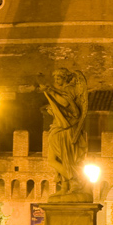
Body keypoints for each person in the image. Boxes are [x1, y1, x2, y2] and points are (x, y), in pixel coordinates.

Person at [39, 68, 89, 200]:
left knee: (63, 159)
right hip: (58, 127)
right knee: (57, 159)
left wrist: (50, 91)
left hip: (66, 130)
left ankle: (74, 180)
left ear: (66, 78)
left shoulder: (71, 89)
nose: (56, 81)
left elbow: (65, 102)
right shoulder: (61, 90)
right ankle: (66, 186)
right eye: (55, 78)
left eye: (59, 78)